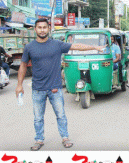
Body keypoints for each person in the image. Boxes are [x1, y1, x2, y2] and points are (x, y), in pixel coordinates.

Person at [15, 18, 106, 151]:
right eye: (39, 27)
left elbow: (77, 46)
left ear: (48, 29)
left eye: (44, 27)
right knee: (38, 118)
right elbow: (23, 66)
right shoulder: (29, 47)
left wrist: (95, 47)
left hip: (55, 89)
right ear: (35, 29)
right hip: (38, 89)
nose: (42, 30)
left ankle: (65, 137)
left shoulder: (57, 44)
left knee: (61, 115)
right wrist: (19, 85)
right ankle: (39, 139)